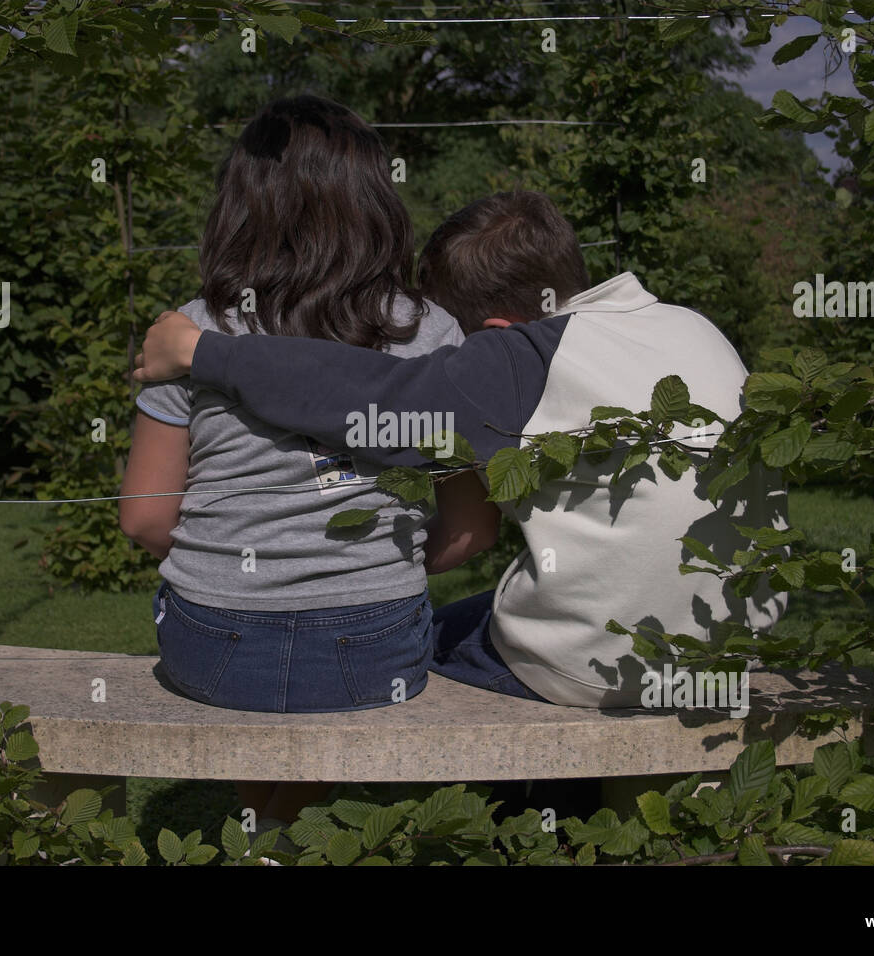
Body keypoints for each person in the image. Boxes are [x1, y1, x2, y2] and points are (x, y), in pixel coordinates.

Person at [133, 190, 789, 709]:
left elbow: (371, 401)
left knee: (418, 640)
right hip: (731, 646)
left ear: (497, 331)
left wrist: (201, 351)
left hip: (607, 663)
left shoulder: (523, 357)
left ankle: (529, 819)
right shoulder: (691, 325)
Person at [117, 95, 467, 828]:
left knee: (262, 701)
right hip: (373, 638)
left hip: (211, 641)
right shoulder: (430, 331)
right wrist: (379, 564)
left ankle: (268, 831)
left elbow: (146, 519)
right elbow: (474, 532)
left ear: (240, 206)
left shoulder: (192, 330)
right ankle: (282, 835)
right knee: (326, 695)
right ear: (376, 202)